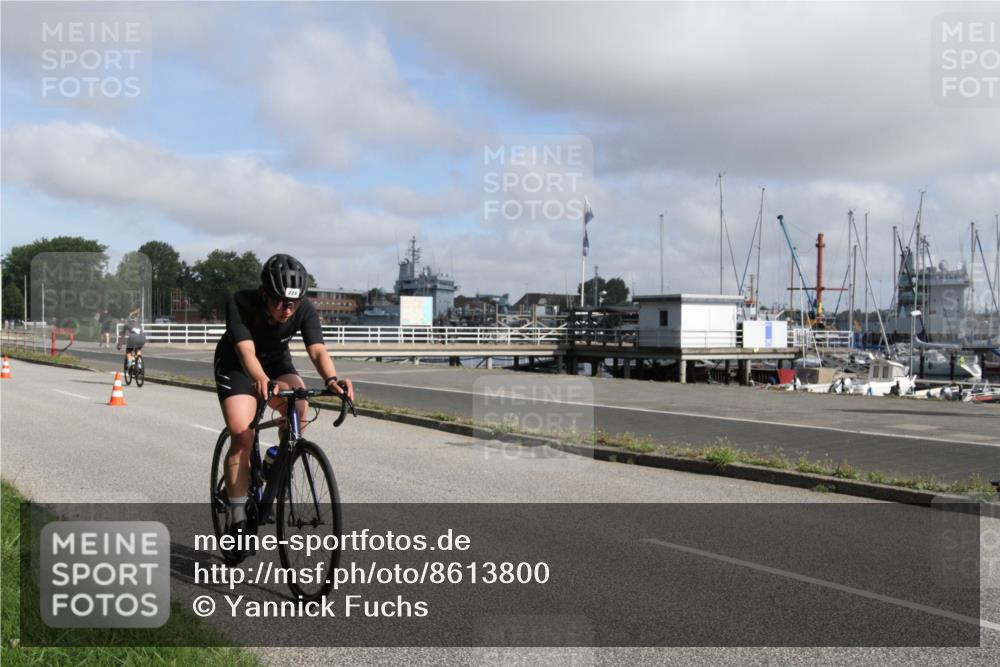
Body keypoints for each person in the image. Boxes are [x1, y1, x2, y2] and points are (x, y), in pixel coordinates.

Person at [214, 253, 353, 561]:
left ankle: (275, 458)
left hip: (276, 362)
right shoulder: (240, 302)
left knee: (299, 403)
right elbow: (246, 351)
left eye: (292, 303)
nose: (286, 309)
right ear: (264, 293)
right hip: (237, 365)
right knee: (242, 434)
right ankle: (237, 519)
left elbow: (317, 349)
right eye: (279, 302)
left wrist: (332, 379)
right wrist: (262, 380)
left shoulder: (301, 308)